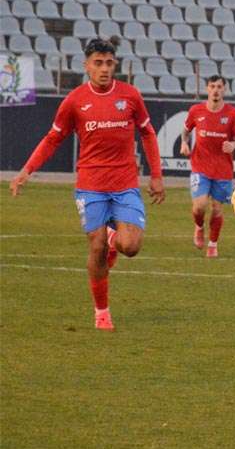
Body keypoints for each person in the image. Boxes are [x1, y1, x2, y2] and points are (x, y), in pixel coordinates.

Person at [9, 37, 165, 330]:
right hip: (91, 184)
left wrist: (156, 175)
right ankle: (102, 311)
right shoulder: (75, 101)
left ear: (114, 64)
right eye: (98, 63)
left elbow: (148, 134)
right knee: (95, 248)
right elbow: (53, 138)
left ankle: (113, 238)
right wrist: (26, 170)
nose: (104, 69)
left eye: (109, 63)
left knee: (130, 246)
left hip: (124, 183)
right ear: (87, 66)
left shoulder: (130, 96)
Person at [180, 75, 235, 258]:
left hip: (223, 169)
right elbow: (185, 131)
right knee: (199, 206)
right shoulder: (196, 111)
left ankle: (213, 243)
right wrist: (184, 143)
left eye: (219, 86)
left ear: (224, 89)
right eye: (212, 86)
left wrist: (233, 145)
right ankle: (199, 226)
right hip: (200, 166)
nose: (215, 90)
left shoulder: (232, 114)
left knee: (217, 208)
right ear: (207, 89)